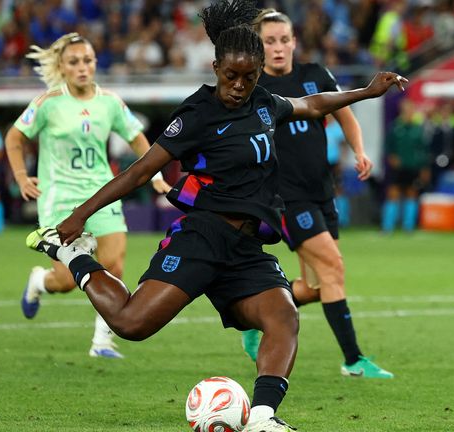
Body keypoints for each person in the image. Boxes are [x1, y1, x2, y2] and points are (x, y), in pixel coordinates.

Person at [26, 1, 406, 430]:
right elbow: (140, 171)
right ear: (215, 66)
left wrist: (367, 91)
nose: (240, 86)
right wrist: (81, 213)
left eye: (249, 76)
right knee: (132, 323)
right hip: (202, 237)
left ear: (260, 71)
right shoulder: (196, 114)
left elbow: (313, 104)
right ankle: (73, 255)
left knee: (283, 317)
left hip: (246, 248)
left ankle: (262, 417)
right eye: (231, 76)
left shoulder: (264, 103)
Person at [238, 8, 393, 380]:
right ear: (259, 47)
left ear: (294, 42)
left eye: (283, 40)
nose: (277, 48)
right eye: (269, 41)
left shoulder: (315, 75)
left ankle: (249, 318)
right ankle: (354, 359)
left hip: (322, 190)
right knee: (333, 267)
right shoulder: (255, 89)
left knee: (315, 285)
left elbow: (346, 116)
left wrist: (359, 150)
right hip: (286, 198)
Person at [4, 32, 171, 359]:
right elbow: (13, 138)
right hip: (60, 199)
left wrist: (157, 176)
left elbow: (138, 139)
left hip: (102, 192)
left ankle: (102, 342)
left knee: (113, 264)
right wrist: (22, 177)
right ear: (62, 67)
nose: (82, 67)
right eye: (74, 62)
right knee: (67, 280)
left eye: (88, 61)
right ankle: (40, 281)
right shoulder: (48, 103)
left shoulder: (109, 101)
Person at [382, 99, 429, 232]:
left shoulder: (417, 128)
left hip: (413, 166)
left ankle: (408, 227)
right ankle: (388, 226)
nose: (408, 113)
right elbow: (388, 147)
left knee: (411, 193)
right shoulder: (395, 127)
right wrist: (392, 158)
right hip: (398, 168)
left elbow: (423, 149)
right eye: (406, 110)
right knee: (393, 194)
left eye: (411, 110)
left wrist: (424, 168)